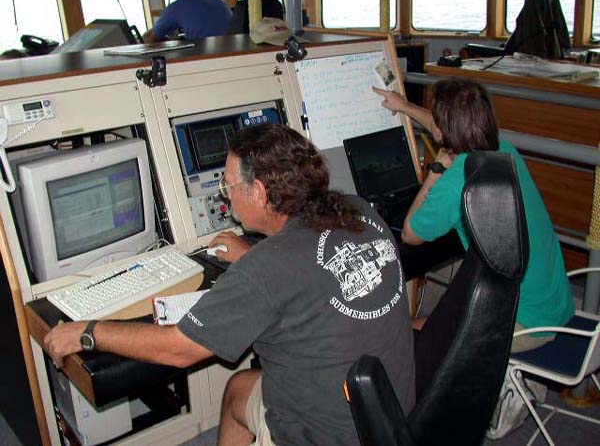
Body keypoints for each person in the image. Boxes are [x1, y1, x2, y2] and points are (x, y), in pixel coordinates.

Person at [44, 124, 415, 446]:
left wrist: (88, 333)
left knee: (242, 388)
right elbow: (312, 273)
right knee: (239, 389)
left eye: (229, 184)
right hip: (390, 411)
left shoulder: (266, 268)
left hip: (323, 435)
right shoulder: (356, 209)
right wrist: (251, 258)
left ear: (258, 193)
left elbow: (178, 350)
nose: (225, 192)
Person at [373, 79, 575, 353]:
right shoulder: (504, 149)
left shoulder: (457, 180)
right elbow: (445, 125)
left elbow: (410, 234)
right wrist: (405, 107)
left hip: (525, 323)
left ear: (443, 132)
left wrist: (436, 170)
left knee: (412, 332)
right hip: (554, 304)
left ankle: (502, 386)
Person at [143, 0, 232, 42]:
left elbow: (150, 37)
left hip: (204, 57)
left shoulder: (178, 6)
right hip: (231, 54)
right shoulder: (217, 0)